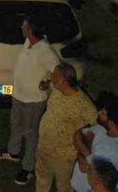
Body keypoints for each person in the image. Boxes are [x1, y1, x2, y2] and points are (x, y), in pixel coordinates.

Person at [0, 16, 63, 185]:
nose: (21, 26)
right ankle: (13, 152)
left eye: (24, 25)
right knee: (15, 124)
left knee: (31, 134)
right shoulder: (28, 42)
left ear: (30, 30)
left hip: (33, 101)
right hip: (18, 95)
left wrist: (48, 83)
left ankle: (28, 168)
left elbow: (59, 72)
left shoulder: (46, 51)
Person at [35, 63, 96, 192]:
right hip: (44, 147)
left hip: (63, 156)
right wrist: (44, 85)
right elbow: (49, 86)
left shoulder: (83, 104)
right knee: (41, 180)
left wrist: (84, 154)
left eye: (54, 75)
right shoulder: (57, 88)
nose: (51, 76)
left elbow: (94, 128)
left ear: (63, 81)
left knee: (64, 187)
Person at [70, 93, 118, 192]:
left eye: (103, 114)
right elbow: (77, 136)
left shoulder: (111, 151)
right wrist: (86, 150)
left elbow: (83, 166)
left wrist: (85, 145)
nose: (99, 114)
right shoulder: (117, 130)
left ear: (112, 123)